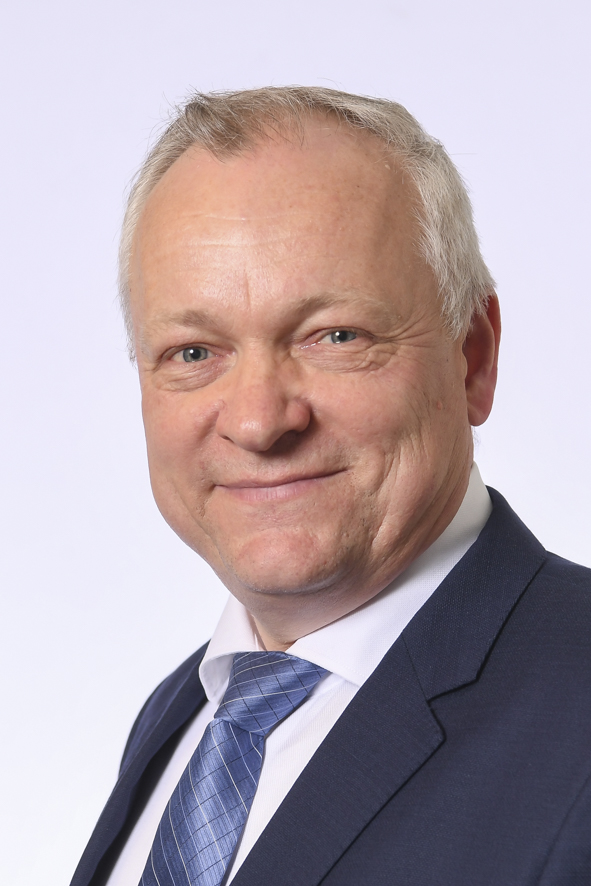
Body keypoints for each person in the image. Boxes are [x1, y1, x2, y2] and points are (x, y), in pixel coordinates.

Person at [70, 87, 591, 886]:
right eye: (193, 352)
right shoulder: (181, 717)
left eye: (334, 336)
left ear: (472, 358)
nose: (258, 421)